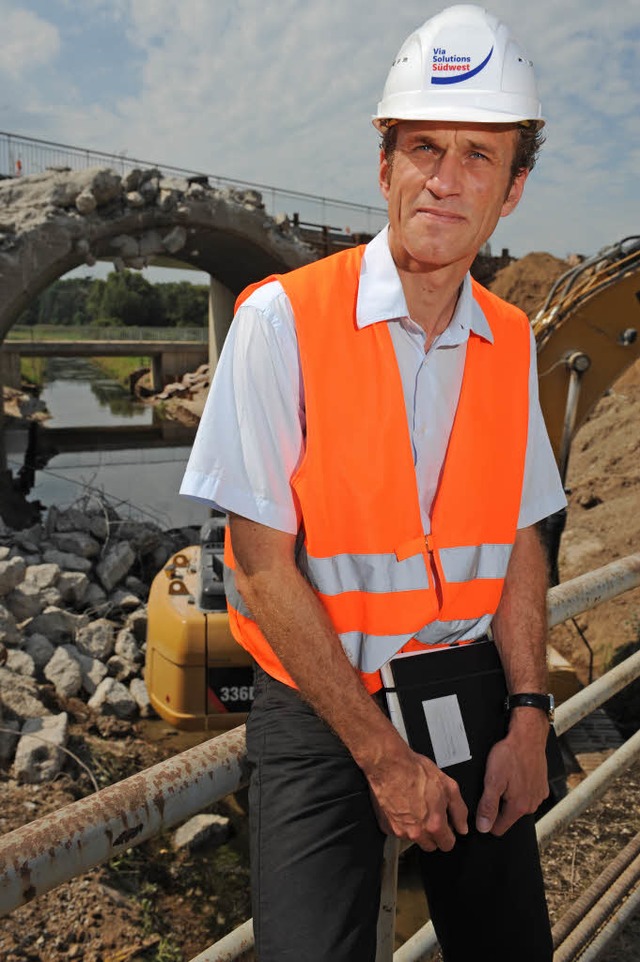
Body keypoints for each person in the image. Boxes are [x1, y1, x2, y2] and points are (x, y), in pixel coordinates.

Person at [181, 6, 567, 960]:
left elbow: (524, 535)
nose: (445, 179)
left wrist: (528, 713)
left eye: (480, 156)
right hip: (322, 701)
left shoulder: (513, 341)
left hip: (471, 684)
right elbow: (262, 571)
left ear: (514, 190)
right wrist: (383, 756)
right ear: (384, 163)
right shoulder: (280, 323)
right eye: (424, 147)